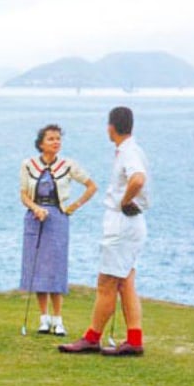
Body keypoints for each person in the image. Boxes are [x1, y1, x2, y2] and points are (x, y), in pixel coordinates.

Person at [59, 106, 150, 356]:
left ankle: (92, 337)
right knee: (125, 282)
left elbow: (138, 179)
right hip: (131, 224)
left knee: (107, 282)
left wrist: (124, 200)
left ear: (111, 127)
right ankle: (134, 338)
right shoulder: (132, 149)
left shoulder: (128, 152)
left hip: (122, 223)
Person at [19, 124, 97, 335]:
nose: (56, 142)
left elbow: (91, 186)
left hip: (58, 219)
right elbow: (24, 195)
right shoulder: (28, 165)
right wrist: (35, 208)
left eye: (58, 139)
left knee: (56, 268)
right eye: (51, 139)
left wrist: (74, 206)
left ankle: (58, 319)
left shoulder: (68, 165)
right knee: (38, 268)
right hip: (35, 219)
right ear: (41, 143)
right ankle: (43, 318)